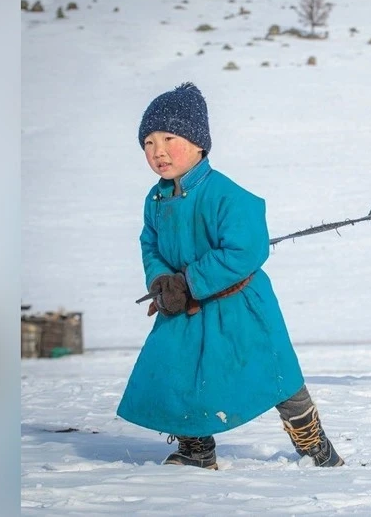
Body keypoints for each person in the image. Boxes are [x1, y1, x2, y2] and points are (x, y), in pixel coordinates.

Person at [117, 82, 344, 470]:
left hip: (239, 305)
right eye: (148, 143)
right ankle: (196, 450)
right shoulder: (155, 200)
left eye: (169, 138)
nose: (158, 151)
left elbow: (245, 251)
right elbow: (149, 244)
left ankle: (315, 447)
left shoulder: (228, 195)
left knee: (276, 374)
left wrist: (189, 282)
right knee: (177, 372)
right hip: (183, 307)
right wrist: (161, 282)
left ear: (198, 143)